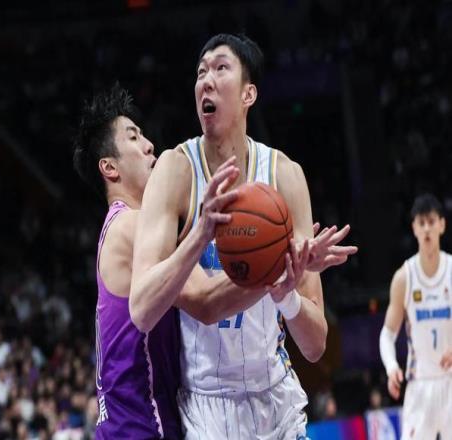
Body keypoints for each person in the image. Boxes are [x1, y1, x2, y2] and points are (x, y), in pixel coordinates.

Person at [131, 34, 357, 439]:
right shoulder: (175, 171)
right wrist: (201, 234)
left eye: (221, 68)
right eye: (200, 72)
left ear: (248, 94)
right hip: (207, 406)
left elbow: (315, 346)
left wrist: (287, 293)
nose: (206, 80)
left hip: (277, 400)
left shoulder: (285, 175)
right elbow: (144, 309)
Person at [73, 82, 293, 438]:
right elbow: (206, 300)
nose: (149, 145)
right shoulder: (131, 225)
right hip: (139, 428)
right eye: (133, 138)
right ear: (110, 168)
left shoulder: (127, 227)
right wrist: (279, 264)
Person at [379, 193, 452, 440]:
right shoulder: (404, 277)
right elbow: (387, 335)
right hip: (420, 384)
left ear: (442, 224)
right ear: (414, 228)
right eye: (422, 223)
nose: (427, 228)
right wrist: (391, 367)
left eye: (431, 221)